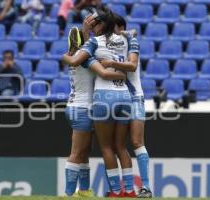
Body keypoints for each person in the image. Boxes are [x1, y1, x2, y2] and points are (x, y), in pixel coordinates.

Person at [62, 7, 134, 197]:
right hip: (83, 108)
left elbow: (79, 52)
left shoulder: (71, 56)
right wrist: (121, 74)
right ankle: (68, 194)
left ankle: (84, 191)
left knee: (84, 152)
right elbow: (101, 70)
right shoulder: (85, 58)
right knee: (77, 153)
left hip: (77, 106)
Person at [99, 15, 153, 198]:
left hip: (135, 97)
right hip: (117, 97)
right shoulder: (108, 44)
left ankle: (145, 187)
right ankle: (120, 189)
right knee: (114, 144)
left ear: (120, 27)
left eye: (112, 28)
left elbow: (131, 65)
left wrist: (111, 63)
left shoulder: (130, 41)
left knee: (137, 142)